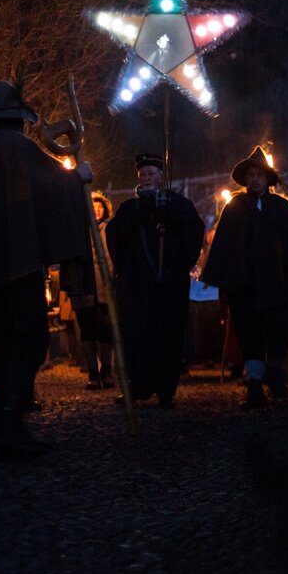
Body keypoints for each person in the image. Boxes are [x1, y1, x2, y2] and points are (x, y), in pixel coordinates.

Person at [0, 80, 93, 460]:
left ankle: (3, 419)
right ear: (19, 120)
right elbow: (54, 187)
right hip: (21, 268)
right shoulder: (23, 151)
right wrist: (79, 177)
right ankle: (8, 420)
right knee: (31, 338)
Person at [202, 146, 288, 407]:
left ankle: (274, 372)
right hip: (244, 284)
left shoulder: (282, 208)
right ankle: (254, 386)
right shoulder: (235, 207)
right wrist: (226, 284)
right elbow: (223, 246)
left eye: (259, 175)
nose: (255, 179)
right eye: (250, 175)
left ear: (267, 179)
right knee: (249, 334)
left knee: (281, 327)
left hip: (275, 283)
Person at [105, 153, 204, 408]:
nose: (146, 178)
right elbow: (115, 234)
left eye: (151, 173)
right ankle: (137, 386)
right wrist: (143, 211)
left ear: (161, 176)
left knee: (167, 335)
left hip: (169, 284)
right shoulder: (129, 207)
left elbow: (193, 231)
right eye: (142, 174)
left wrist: (167, 214)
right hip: (138, 286)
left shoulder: (178, 204)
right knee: (137, 335)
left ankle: (165, 389)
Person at [73, 191, 115, 390]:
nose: (96, 210)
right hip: (84, 287)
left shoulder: (111, 229)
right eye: (93, 206)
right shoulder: (79, 229)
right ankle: (93, 373)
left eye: (100, 207)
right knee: (87, 331)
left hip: (105, 288)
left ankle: (107, 370)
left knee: (106, 331)